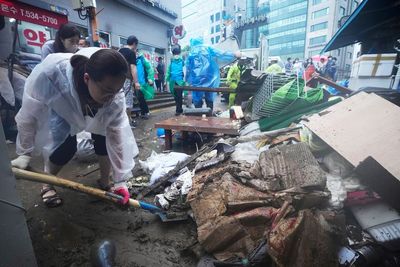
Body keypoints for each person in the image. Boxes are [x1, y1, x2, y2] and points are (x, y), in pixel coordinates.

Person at [11, 48, 139, 207]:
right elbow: (29, 114)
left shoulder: (113, 97)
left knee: (104, 139)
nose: (112, 97)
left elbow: (117, 136)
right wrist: (25, 153)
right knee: (65, 146)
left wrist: (120, 181)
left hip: (95, 104)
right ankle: (47, 184)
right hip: (62, 104)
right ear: (87, 78)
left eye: (116, 91)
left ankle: (105, 181)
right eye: (107, 91)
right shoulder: (51, 75)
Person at [186, 37, 240, 111]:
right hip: (209, 77)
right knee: (209, 97)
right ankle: (209, 114)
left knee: (197, 98)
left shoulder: (191, 52)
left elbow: (188, 68)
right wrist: (234, 54)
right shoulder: (207, 48)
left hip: (197, 79)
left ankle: (197, 114)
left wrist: (187, 79)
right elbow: (221, 53)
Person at [118, 35, 141, 124]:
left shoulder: (120, 50)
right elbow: (133, 68)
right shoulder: (131, 53)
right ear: (134, 44)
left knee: (119, 99)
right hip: (126, 79)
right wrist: (136, 82)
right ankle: (127, 122)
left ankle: (121, 120)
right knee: (128, 101)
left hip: (117, 80)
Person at [166, 45, 185, 115]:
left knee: (177, 96)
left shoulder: (173, 61)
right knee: (178, 96)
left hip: (173, 81)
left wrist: (166, 80)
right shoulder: (181, 61)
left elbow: (168, 71)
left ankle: (178, 109)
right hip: (179, 81)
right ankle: (179, 109)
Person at [136, 51, 155, 119]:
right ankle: (144, 112)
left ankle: (145, 112)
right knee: (140, 99)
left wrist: (150, 79)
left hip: (143, 83)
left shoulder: (142, 59)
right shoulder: (134, 61)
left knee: (141, 98)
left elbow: (150, 69)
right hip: (136, 83)